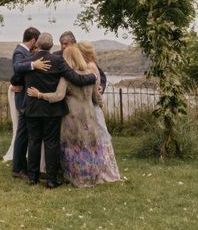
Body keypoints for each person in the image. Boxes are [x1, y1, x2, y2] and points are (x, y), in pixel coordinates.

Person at [27, 43, 120, 187]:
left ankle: (76, 177)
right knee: (89, 145)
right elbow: (97, 97)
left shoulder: (66, 78)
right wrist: (100, 105)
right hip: (89, 116)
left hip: (72, 117)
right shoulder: (91, 75)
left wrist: (39, 94)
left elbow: (58, 96)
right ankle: (91, 176)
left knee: (73, 146)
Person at [14, 33, 98, 188]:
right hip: (51, 110)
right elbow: (76, 78)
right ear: (52, 46)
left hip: (32, 107)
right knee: (51, 143)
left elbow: (15, 79)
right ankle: (51, 180)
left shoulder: (28, 61)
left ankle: (33, 177)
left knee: (34, 141)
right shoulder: (58, 61)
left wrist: (28, 74)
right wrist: (93, 77)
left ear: (37, 45)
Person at [5, 27, 50, 177]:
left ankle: (21, 166)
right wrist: (34, 65)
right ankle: (18, 169)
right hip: (23, 100)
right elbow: (17, 67)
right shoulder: (20, 51)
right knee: (22, 134)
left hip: (25, 96)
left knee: (24, 134)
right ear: (33, 40)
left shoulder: (25, 52)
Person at [77, 41, 120, 183]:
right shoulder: (93, 64)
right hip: (94, 106)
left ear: (83, 52)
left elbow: (94, 91)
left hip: (92, 107)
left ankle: (103, 171)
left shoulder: (89, 66)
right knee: (98, 138)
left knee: (98, 138)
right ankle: (99, 170)